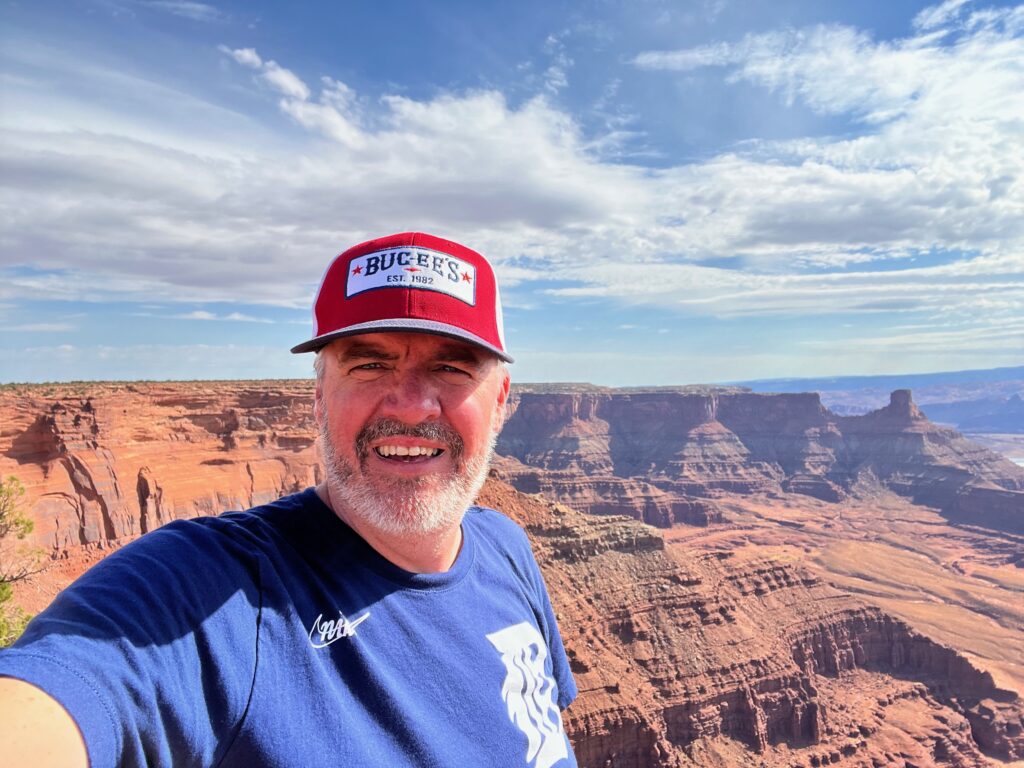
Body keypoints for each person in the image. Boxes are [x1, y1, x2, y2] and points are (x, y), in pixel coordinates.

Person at [0, 233, 578, 768]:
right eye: (369, 364)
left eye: (451, 367)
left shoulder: (506, 547)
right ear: (319, 396)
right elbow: (62, 690)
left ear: (501, 400)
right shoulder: (215, 591)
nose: (409, 405)